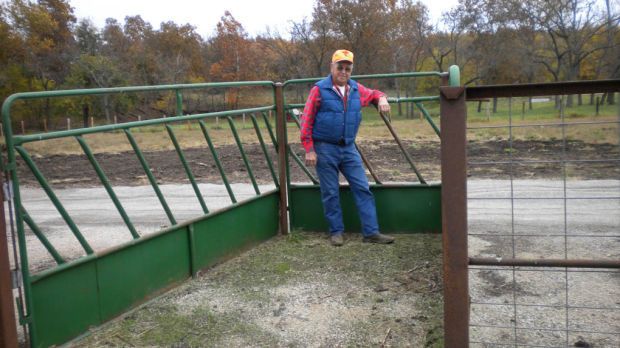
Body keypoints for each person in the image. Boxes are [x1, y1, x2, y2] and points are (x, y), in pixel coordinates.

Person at [300, 49, 395, 246]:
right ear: (331, 67)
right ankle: (336, 232)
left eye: (347, 69)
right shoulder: (319, 90)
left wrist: (382, 98)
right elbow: (307, 119)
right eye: (340, 67)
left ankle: (371, 233)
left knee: (362, 188)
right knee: (330, 192)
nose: (343, 72)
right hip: (324, 148)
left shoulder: (355, 88)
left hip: (348, 148)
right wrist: (309, 149)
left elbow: (374, 93)